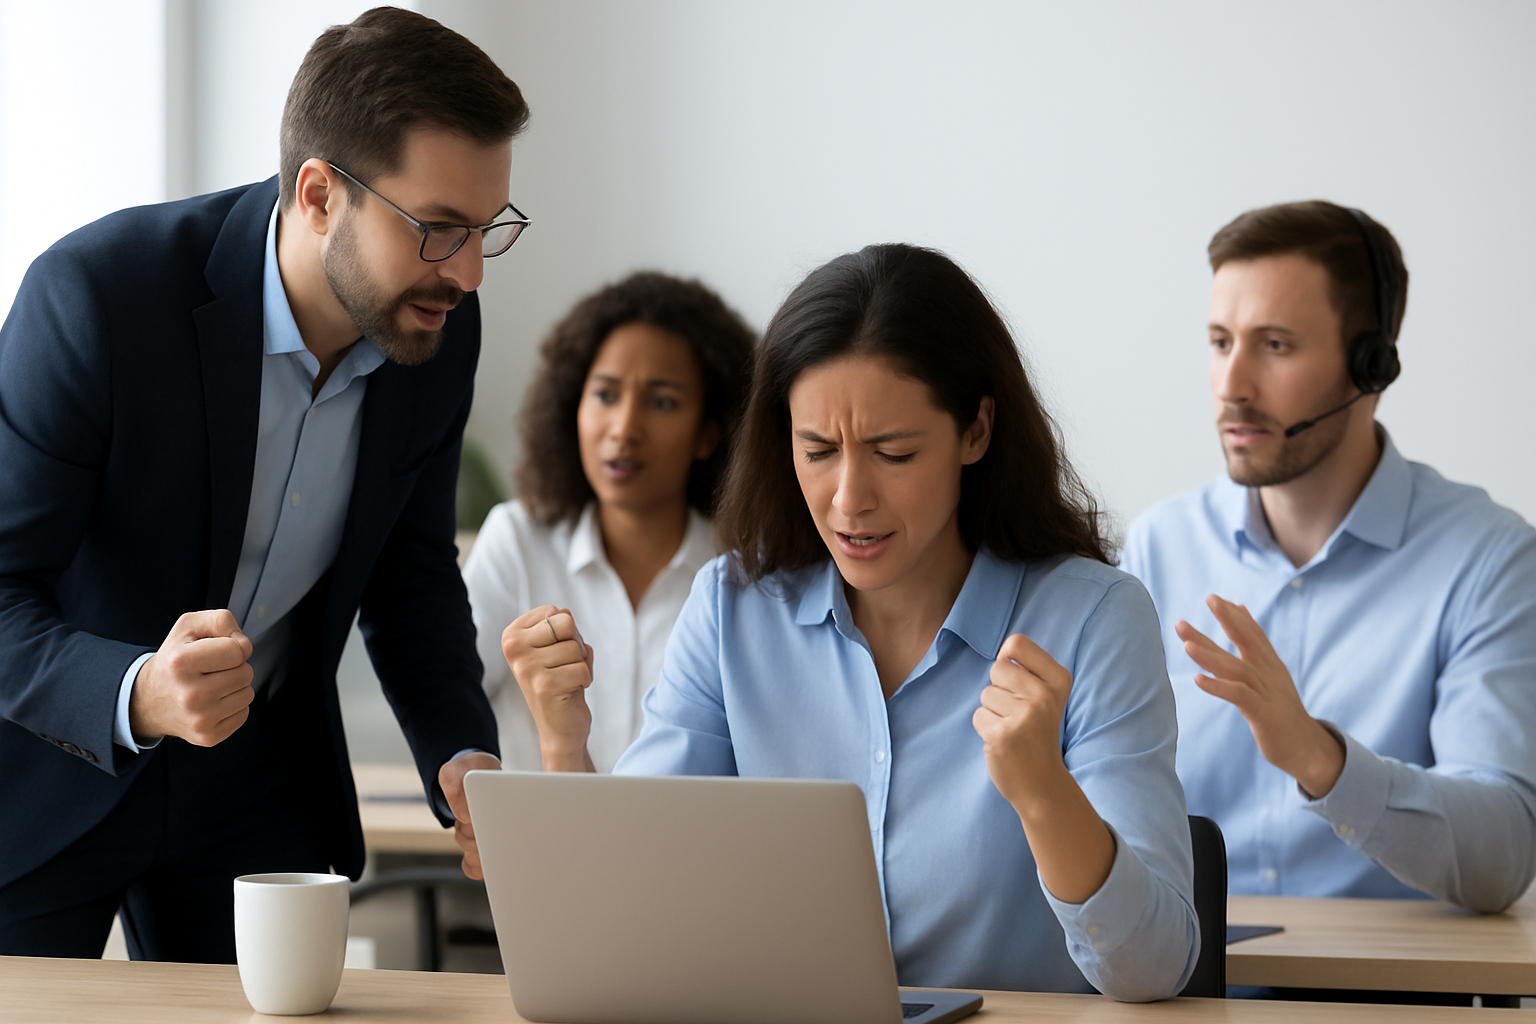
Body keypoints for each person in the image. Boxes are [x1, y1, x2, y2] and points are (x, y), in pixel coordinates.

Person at [485, 244, 1199, 1000]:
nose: (849, 499)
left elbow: (1154, 966)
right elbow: (625, 921)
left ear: (976, 431)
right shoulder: (732, 608)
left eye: (894, 453)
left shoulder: (1093, 619)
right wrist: (564, 743)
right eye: (819, 450)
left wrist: (1045, 794)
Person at [0, 8, 525, 960]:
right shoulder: (98, 296)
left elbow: (410, 577)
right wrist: (136, 691)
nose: (469, 273)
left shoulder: (438, 330)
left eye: (487, 229)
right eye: (439, 229)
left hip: (257, 795)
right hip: (47, 778)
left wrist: (462, 754)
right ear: (320, 194)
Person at [1120, 201, 1536, 913]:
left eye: (1275, 345)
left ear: (1372, 366)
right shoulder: (1158, 547)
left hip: (1385, 980)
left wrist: (1320, 759)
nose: (1231, 385)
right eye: (1220, 342)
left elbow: (1503, 855)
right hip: (1190, 972)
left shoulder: (1487, 561)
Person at [464, 272, 754, 771]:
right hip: (528, 824)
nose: (624, 429)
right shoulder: (517, 541)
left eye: (662, 402)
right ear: (572, 406)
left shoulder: (743, 573)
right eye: (605, 395)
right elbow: (447, 700)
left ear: (709, 434)